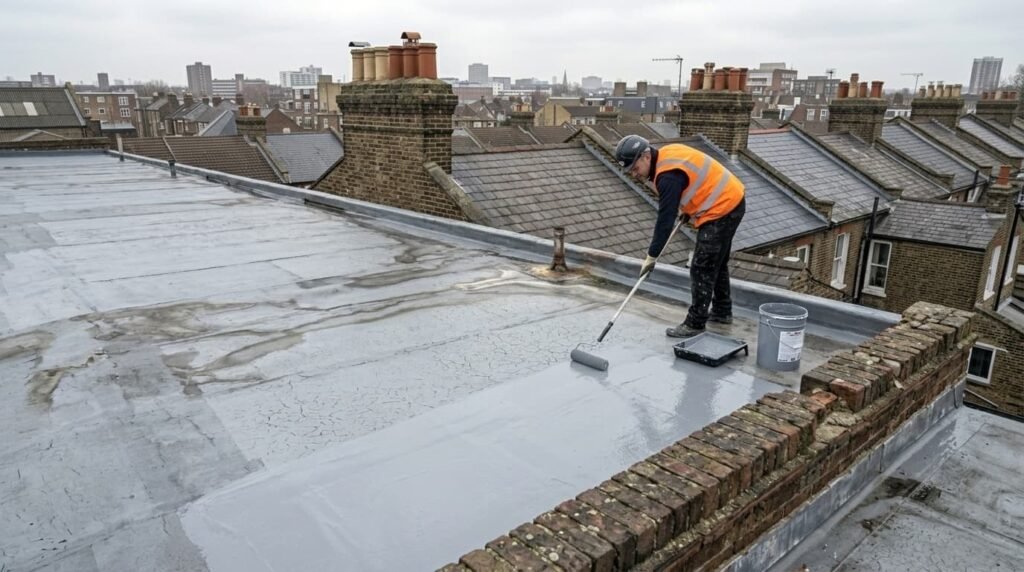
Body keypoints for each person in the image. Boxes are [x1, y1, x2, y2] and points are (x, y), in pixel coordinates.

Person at [614, 135, 746, 338]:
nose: (634, 174)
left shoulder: (666, 176)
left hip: (722, 208)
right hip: (732, 199)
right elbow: (693, 183)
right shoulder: (668, 154)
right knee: (717, 262)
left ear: (646, 156)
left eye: (634, 168)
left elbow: (665, 221)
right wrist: (689, 209)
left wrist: (652, 256)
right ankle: (722, 311)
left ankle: (695, 323)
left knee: (702, 266)